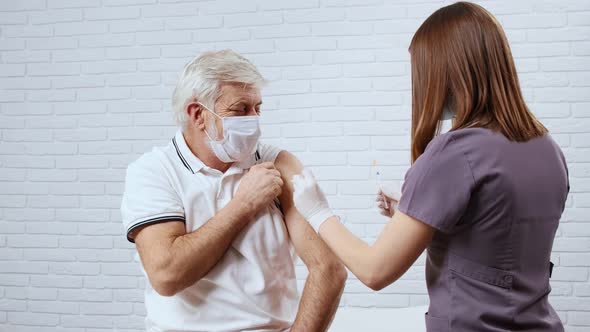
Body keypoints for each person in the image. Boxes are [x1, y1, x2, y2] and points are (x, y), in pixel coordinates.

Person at [291, 2, 568, 331]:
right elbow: (497, 239)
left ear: (447, 71)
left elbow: (374, 270)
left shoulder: (454, 151)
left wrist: (318, 212)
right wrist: (418, 215)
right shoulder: (546, 147)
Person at [120, 50, 346, 332]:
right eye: (240, 109)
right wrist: (244, 205)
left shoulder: (279, 164)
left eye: (257, 108)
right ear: (198, 114)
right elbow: (167, 274)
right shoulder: (154, 171)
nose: (253, 119)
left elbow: (329, 269)